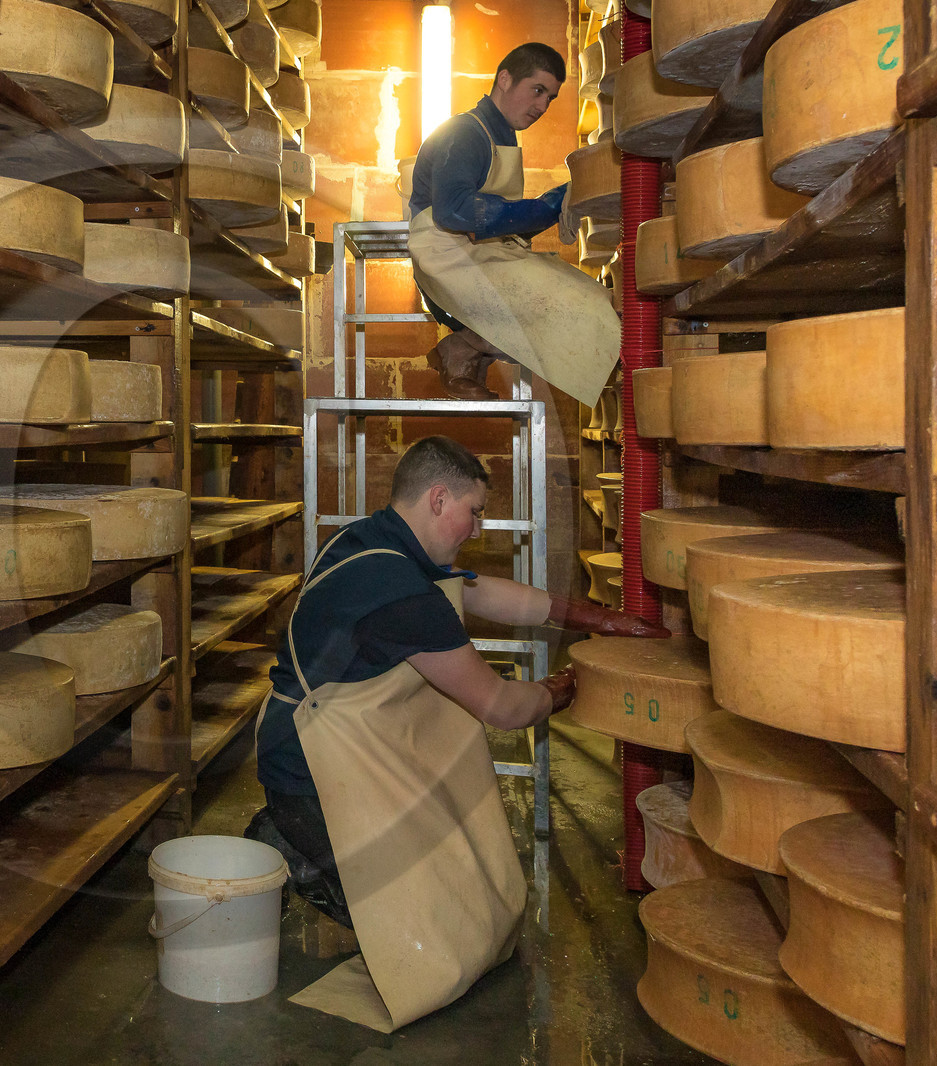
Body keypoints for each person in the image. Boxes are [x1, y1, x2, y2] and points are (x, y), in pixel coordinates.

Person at [247, 435, 666, 1027]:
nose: (477, 527)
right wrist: (575, 683)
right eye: (474, 512)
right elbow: (501, 706)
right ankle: (293, 847)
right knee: (428, 929)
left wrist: (604, 618)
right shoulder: (399, 595)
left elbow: (490, 593)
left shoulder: (372, 540)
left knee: (462, 887)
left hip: (345, 751)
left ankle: (306, 840)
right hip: (312, 770)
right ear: (439, 499)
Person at [407, 43, 620, 404]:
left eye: (550, 98)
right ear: (504, 79)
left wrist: (565, 198)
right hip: (448, 263)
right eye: (537, 91)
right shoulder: (464, 133)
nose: (542, 106)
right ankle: (464, 348)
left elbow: (501, 220)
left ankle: (464, 351)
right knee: (571, 307)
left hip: (482, 254)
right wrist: (547, 207)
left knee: (594, 303)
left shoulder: (501, 138)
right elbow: (455, 211)